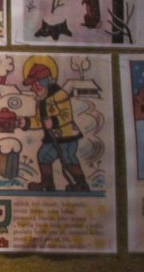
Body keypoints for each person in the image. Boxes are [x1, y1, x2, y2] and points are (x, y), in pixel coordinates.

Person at [15, 56, 90, 192]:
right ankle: (47, 183)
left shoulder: (59, 94)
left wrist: (53, 121)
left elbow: (66, 115)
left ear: (45, 81)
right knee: (44, 155)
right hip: (52, 136)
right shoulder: (41, 99)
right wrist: (26, 122)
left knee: (67, 156)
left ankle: (81, 184)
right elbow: (39, 121)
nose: (33, 88)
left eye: (36, 84)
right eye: (32, 85)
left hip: (68, 136)